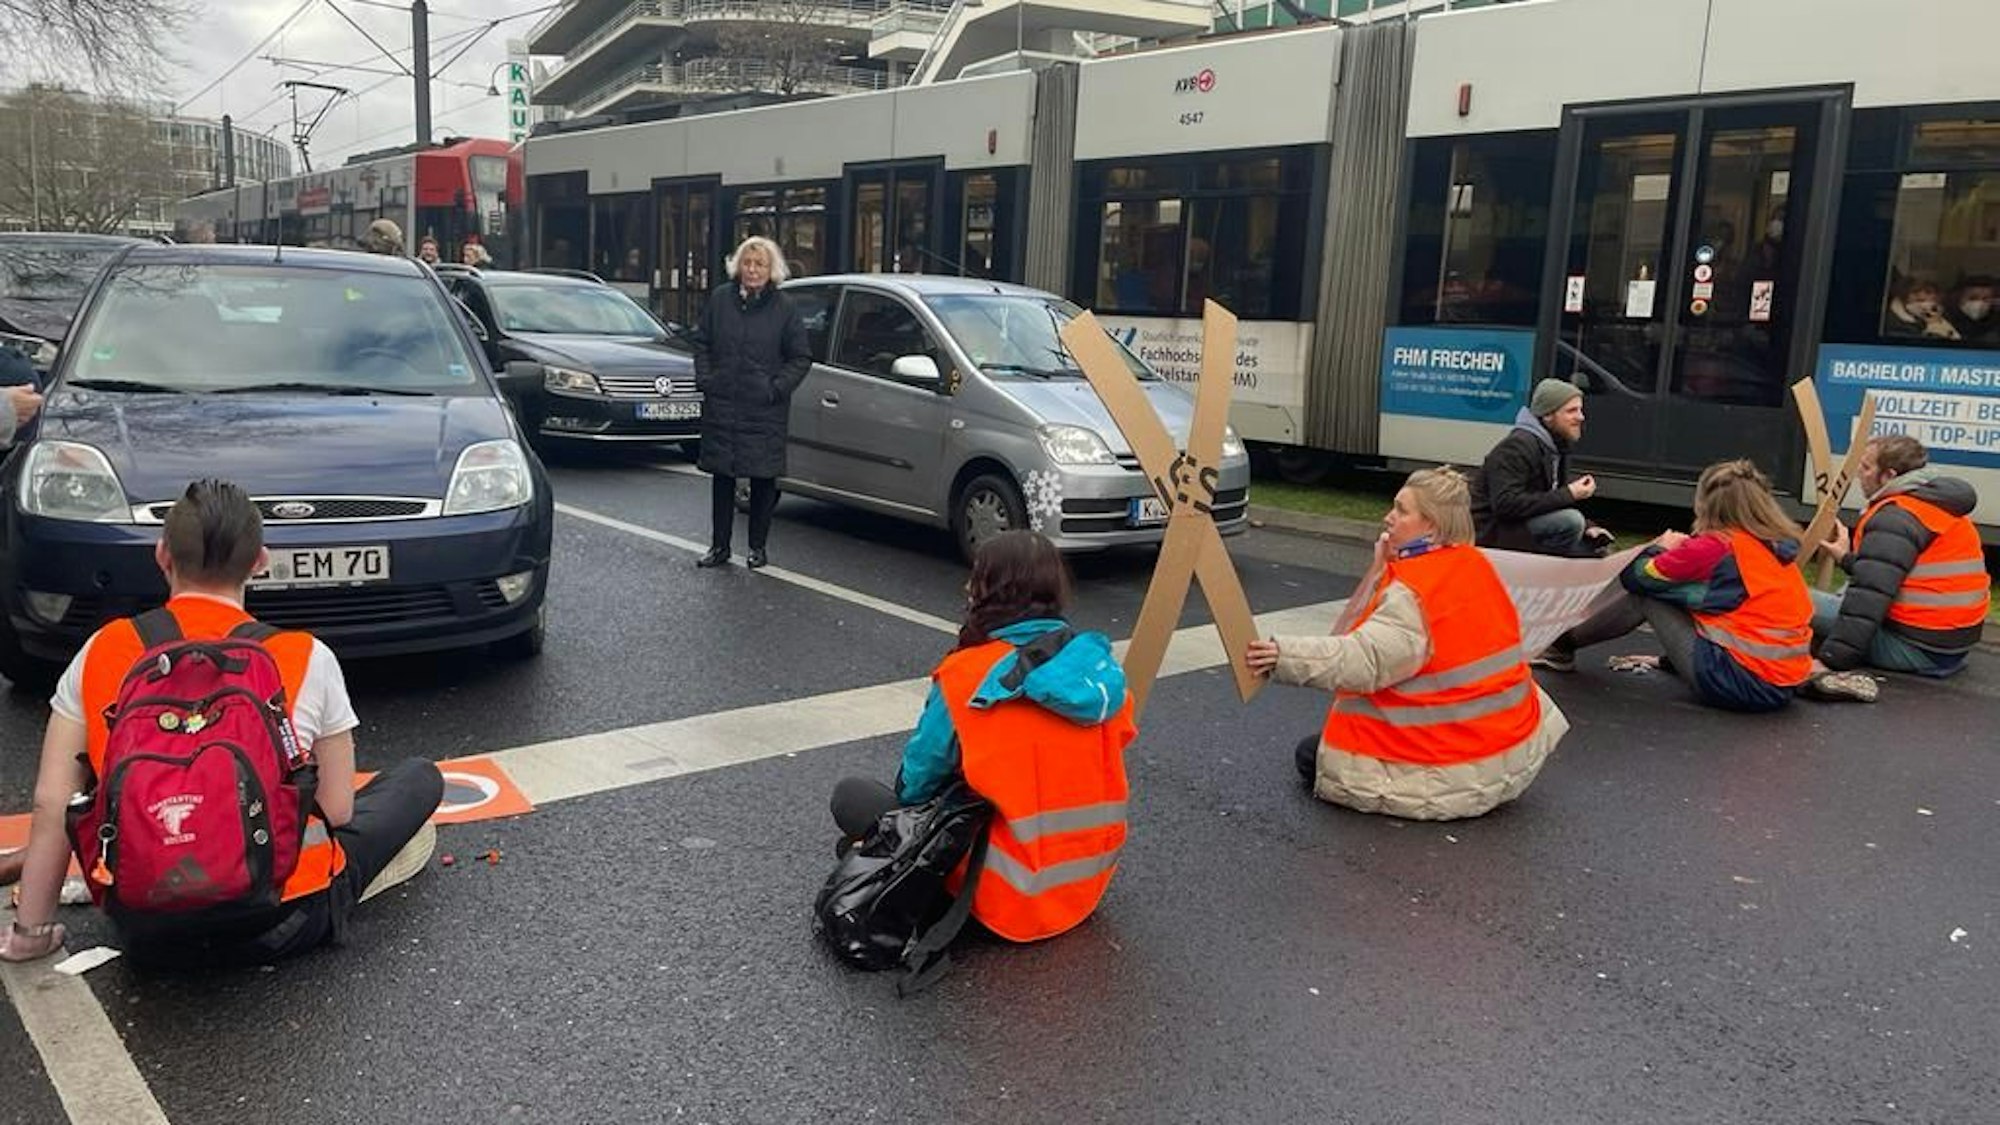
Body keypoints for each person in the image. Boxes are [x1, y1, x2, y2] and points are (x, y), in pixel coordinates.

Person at [0, 480, 443, 965]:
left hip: (147, 926)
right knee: (418, 778)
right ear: (260, 561)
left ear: (162, 555)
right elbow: (335, 810)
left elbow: (52, 804)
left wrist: (30, 935)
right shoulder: (303, 656)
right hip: (284, 919)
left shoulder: (102, 652)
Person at [830, 531, 1135, 942]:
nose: (966, 586)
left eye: (975, 576)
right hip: (1084, 888)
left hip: (1002, 898)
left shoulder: (967, 673)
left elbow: (918, 782)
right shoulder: (1097, 672)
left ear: (992, 589)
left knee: (853, 797)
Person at [1246, 467, 1567, 820]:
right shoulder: (1475, 565)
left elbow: (1361, 660)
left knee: (1312, 754)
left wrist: (1282, 655)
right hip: (1511, 749)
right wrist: (1384, 569)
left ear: (1431, 524)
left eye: (1401, 510)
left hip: (1447, 769)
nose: (1388, 517)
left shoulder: (1413, 591)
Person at [1536, 460, 1824, 711]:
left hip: (1739, 684)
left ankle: (1560, 647)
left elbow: (1637, 576)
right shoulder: (1775, 548)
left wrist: (1660, 548)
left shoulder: (1715, 546)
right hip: (1782, 684)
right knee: (1683, 596)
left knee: (1648, 596)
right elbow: (1732, 613)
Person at [1809, 435, 1989, 682]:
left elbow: (1866, 603)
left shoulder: (1895, 516)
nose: (1859, 474)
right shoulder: (1933, 504)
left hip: (1915, 649)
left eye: (1866, 467)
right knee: (1848, 589)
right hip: (1950, 648)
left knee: (1791, 595)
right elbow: (1891, 574)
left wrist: (1830, 661)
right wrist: (1846, 558)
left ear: (1889, 476)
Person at [691, 236, 811, 570]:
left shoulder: (784, 308)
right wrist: (706, 379)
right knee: (722, 477)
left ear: (771, 270)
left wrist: (775, 389)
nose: (753, 269)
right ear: (737, 266)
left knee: (762, 480)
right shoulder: (719, 300)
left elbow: (800, 357)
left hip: (763, 409)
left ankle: (757, 548)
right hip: (723, 404)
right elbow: (701, 343)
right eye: (747, 262)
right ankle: (719, 547)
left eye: (760, 264)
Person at [1470, 377, 1613, 557]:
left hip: (1520, 527)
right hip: (1495, 534)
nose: (1580, 417)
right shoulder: (1517, 446)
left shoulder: (1556, 445)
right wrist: (1570, 493)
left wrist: (1590, 526)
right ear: (1547, 415)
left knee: (1597, 547)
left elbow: (1549, 499)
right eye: (1571, 411)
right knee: (1571, 521)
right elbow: (1506, 505)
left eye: (1580, 410)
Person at [1946, 276, 1999, 344]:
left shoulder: (1996, 326)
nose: (1979, 303)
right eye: (1973, 298)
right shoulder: (1944, 324)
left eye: (1986, 299)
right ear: (1959, 299)